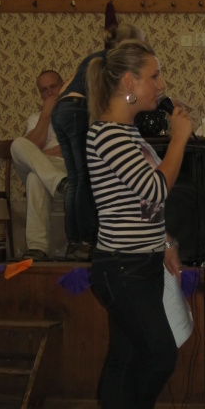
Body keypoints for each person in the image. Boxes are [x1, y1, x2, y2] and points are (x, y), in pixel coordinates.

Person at [85, 40, 192, 409]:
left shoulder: (128, 133)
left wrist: (165, 240)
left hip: (141, 263)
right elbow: (155, 189)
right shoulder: (108, 134)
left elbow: (141, 206)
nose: (160, 85)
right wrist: (179, 138)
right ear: (129, 81)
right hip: (121, 268)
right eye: (154, 76)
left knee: (125, 360)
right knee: (160, 356)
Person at [51, 23, 144, 261]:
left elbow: (65, 88)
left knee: (74, 178)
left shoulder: (93, 58)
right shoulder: (112, 62)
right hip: (76, 111)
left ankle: (74, 242)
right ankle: (87, 240)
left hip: (60, 110)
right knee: (84, 178)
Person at [11, 70, 68, 260]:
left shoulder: (74, 113)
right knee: (17, 144)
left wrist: (39, 156)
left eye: (53, 87)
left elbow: (70, 149)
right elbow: (30, 147)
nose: (50, 93)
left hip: (64, 168)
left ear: (62, 86)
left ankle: (37, 248)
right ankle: (59, 183)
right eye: (44, 90)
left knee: (35, 178)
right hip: (55, 176)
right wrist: (46, 115)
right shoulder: (35, 119)